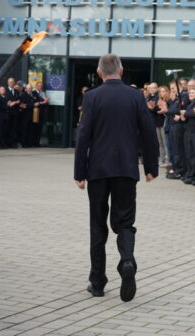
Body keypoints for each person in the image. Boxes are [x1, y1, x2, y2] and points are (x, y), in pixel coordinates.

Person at [74, 54, 158, 302]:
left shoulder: (91, 97)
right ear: (121, 71)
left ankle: (97, 282)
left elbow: (83, 137)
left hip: (98, 171)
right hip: (126, 169)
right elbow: (148, 132)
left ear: (99, 73)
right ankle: (127, 261)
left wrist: (79, 172)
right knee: (125, 221)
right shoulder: (135, 95)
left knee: (97, 224)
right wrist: (150, 166)